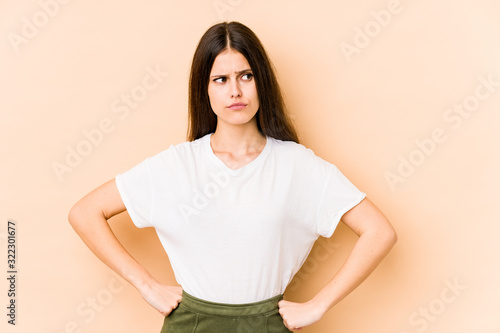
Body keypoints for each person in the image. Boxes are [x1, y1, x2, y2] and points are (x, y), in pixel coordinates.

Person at [68, 21, 397, 332]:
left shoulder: (296, 165)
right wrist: (146, 284)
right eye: (221, 79)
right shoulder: (176, 165)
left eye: (246, 76)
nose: (235, 91)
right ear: (205, 90)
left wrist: (318, 305)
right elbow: (85, 212)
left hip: (266, 325)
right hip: (191, 325)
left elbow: (378, 231)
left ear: (261, 82)